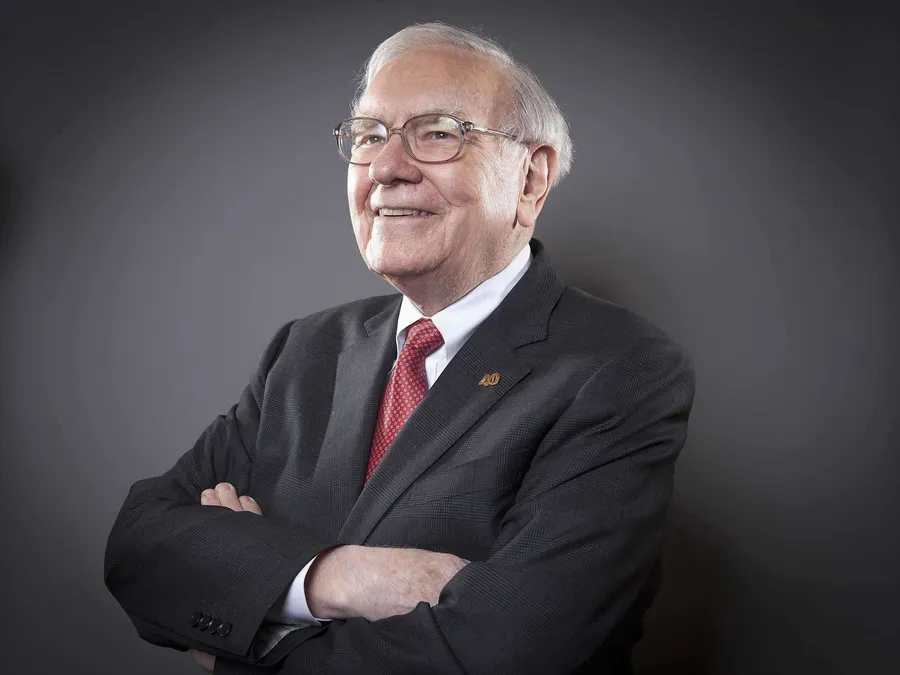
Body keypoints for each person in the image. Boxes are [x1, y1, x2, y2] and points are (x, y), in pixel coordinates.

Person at [104, 22, 695, 675]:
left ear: (531, 179)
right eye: (368, 135)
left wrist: (249, 630)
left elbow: (508, 651)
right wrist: (338, 576)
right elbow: (139, 547)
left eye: (438, 133)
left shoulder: (621, 369)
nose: (385, 168)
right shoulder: (305, 350)